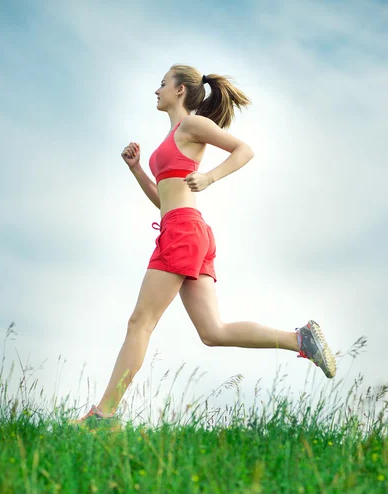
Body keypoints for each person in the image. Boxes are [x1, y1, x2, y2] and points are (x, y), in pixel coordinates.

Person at [74, 64, 336, 425]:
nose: (157, 90)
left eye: (162, 83)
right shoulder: (171, 137)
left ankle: (102, 416)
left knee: (140, 323)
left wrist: (210, 177)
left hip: (183, 231)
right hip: (181, 228)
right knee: (213, 332)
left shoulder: (192, 125)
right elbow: (163, 201)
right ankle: (301, 339)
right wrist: (137, 169)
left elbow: (244, 150)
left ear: (180, 90)